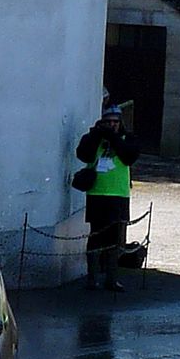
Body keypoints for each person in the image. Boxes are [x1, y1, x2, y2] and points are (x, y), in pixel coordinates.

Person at [75, 105, 140, 291]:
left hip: (119, 194)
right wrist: (97, 135)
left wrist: (114, 137)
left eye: (115, 122)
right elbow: (83, 154)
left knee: (115, 240)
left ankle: (112, 279)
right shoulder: (92, 138)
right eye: (108, 122)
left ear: (121, 123)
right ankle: (92, 278)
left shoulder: (128, 139)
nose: (112, 126)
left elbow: (129, 157)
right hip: (97, 194)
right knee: (95, 237)